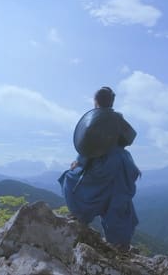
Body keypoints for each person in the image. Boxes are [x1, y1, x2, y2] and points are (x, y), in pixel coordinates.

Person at [58, 86, 141, 252]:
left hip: (104, 165)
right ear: (112, 102)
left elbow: (89, 149)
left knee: (69, 179)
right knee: (118, 202)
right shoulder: (118, 118)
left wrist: (78, 162)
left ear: (95, 102)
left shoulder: (95, 121)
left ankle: (80, 216)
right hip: (123, 163)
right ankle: (120, 243)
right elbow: (130, 136)